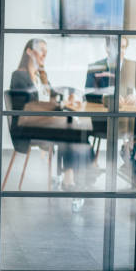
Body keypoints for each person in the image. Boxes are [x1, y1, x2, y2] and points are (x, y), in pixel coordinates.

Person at [10, 38, 93, 210]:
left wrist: (66, 98)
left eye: (46, 51)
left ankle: (75, 174)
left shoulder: (40, 75)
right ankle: (80, 173)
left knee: (72, 126)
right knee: (70, 128)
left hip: (43, 122)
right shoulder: (19, 75)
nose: (44, 54)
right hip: (28, 127)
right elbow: (30, 105)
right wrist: (58, 104)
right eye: (41, 50)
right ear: (29, 52)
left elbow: (51, 95)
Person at [85, 36, 136, 102]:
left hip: (127, 108)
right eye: (116, 47)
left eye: (123, 47)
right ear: (107, 48)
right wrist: (105, 97)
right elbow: (88, 94)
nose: (120, 51)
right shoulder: (94, 66)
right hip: (102, 109)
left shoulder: (134, 66)